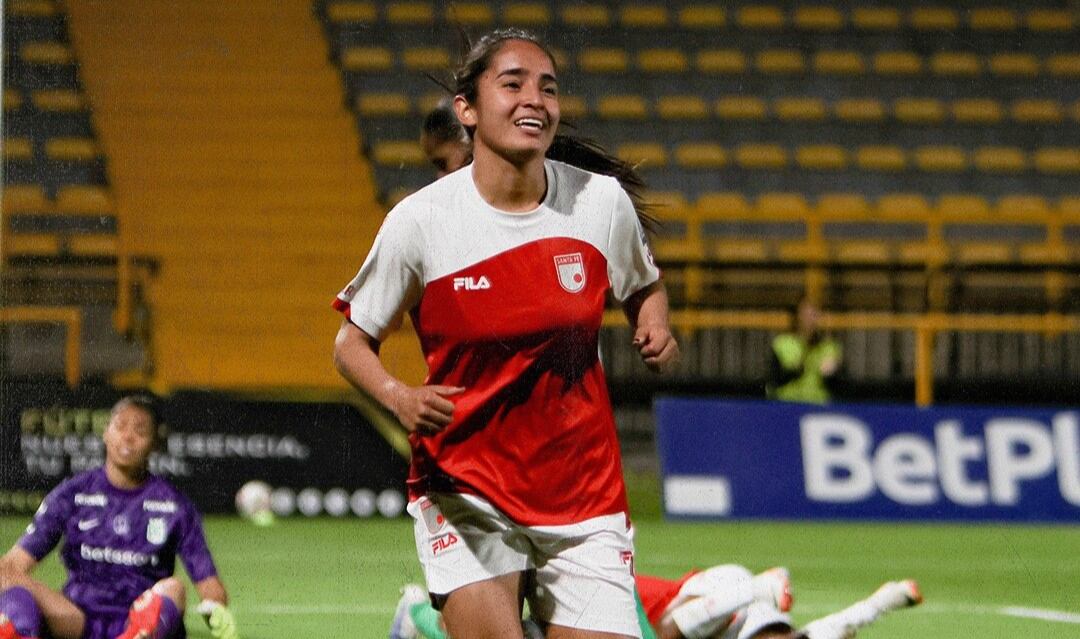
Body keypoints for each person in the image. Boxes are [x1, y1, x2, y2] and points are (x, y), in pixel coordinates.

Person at [333, 27, 678, 639]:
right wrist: (400, 397)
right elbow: (351, 344)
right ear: (466, 108)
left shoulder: (601, 203)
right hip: (468, 489)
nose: (534, 99)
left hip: (583, 492)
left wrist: (654, 322)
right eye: (512, 83)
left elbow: (642, 282)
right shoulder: (421, 222)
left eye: (548, 88)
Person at [0, 396, 238, 639]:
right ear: (106, 433)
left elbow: (210, 587)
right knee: (13, 588)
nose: (128, 437)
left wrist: (215, 608)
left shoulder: (174, 505)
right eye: (120, 426)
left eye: (140, 430)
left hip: (140, 621)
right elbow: (12, 567)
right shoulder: (72, 494)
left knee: (174, 589)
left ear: (156, 442)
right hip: (76, 620)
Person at [390, 566, 919, 639]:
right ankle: (418, 616)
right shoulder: (723, 605)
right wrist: (756, 589)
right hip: (608, 601)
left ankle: (421, 621)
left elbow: (835, 628)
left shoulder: (773, 630)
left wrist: (887, 599)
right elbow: (673, 630)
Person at [767, 298, 842, 404]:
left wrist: (832, 374)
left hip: (818, 406)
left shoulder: (829, 347)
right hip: (787, 404)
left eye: (814, 314)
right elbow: (773, 380)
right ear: (797, 316)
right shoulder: (782, 343)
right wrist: (795, 371)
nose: (810, 320)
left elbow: (841, 386)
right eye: (806, 314)